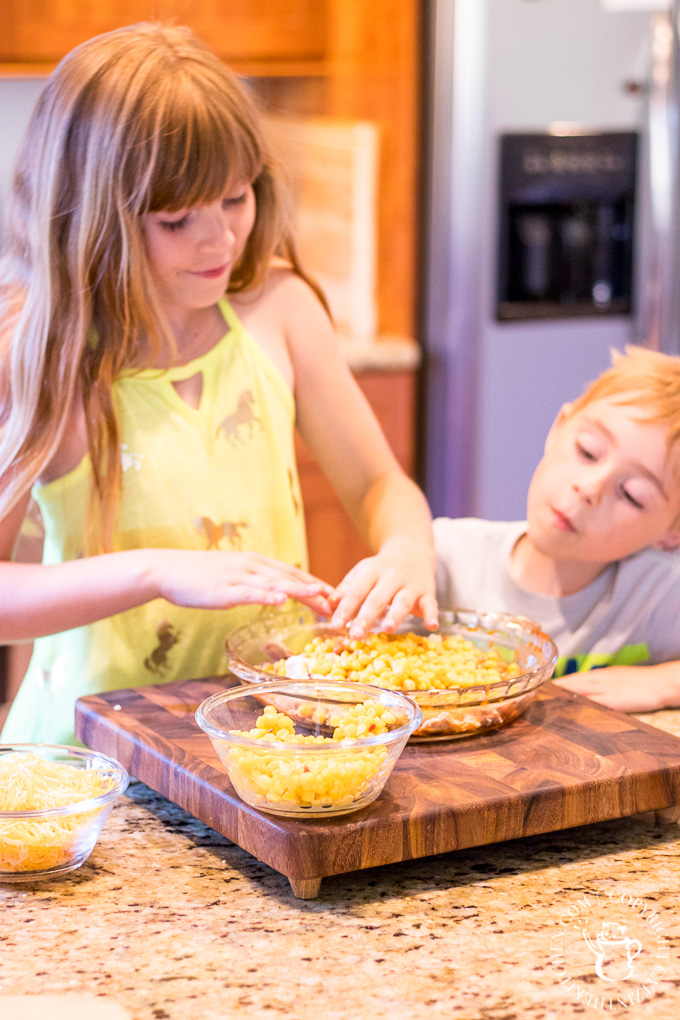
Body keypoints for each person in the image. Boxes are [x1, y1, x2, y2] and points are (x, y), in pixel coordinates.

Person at [0, 23, 437, 745]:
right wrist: (156, 573)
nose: (220, 242)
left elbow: (379, 486)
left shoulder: (281, 311)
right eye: (176, 220)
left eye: (236, 200)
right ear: (88, 220)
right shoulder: (44, 354)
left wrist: (406, 552)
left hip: (260, 740)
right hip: (92, 760)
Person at [434, 346, 680, 715]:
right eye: (588, 451)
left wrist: (663, 684)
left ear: (671, 534)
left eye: (631, 494)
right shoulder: (442, 556)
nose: (589, 488)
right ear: (558, 427)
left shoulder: (660, 593)